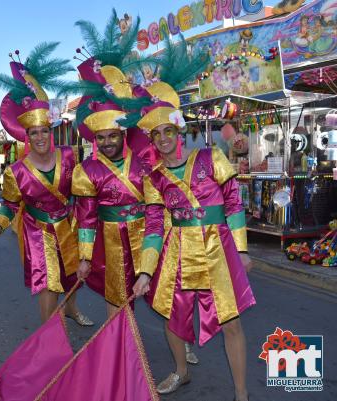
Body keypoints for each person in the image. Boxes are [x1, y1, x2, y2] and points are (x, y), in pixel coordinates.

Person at [132, 80, 255, 401]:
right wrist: (145, 271)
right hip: (178, 253)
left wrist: (241, 249)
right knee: (173, 320)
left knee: (231, 321)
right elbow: (154, 226)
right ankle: (181, 372)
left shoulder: (211, 156)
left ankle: (241, 394)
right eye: (156, 134)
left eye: (167, 132)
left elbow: (233, 203)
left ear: (179, 132)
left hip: (218, 248)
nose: (162, 139)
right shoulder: (153, 178)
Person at [0, 42, 92, 326]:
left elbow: (83, 191)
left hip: (68, 225)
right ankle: (50, 334)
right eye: (34, 132)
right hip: (37, 230)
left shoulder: (70, 156)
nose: (40, 137)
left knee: (71, 276)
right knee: (48, 282)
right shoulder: (15, 171)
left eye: (44, 131)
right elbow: (9, 205)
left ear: (50, 132)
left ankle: (71, 309)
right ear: (27, 135)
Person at [69, 54, 153, 319]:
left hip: (146, 236)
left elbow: (157, 208)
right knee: (117, 298)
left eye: (112, 136)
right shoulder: (87, 171)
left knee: (163, 292)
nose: (107, 143)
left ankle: (179, 342)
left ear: (123, 134)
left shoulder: (144, 165)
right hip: (111, 241)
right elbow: (86, 218)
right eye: (101, 137)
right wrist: (84, 257)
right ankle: (121, 348)